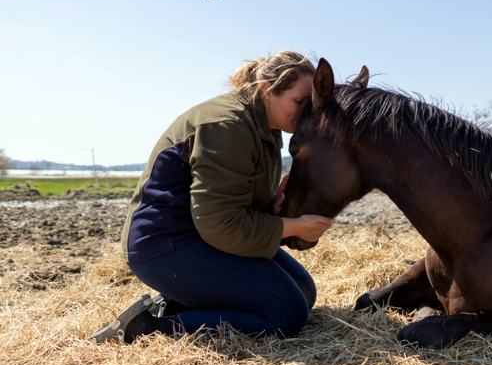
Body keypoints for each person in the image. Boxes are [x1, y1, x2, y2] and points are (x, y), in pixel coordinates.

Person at [89, 51, 335, 344]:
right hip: (165, 246)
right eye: (299, 101)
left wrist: (275, 211)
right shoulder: (226, 124)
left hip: (203, 237)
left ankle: (183, 302)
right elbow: (221, 223)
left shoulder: (265, 126)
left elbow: (232, 203)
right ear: (268, 90)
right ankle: (140, 329)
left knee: (304, 292)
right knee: (287, 314)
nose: (306, 111)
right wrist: (292, 227)